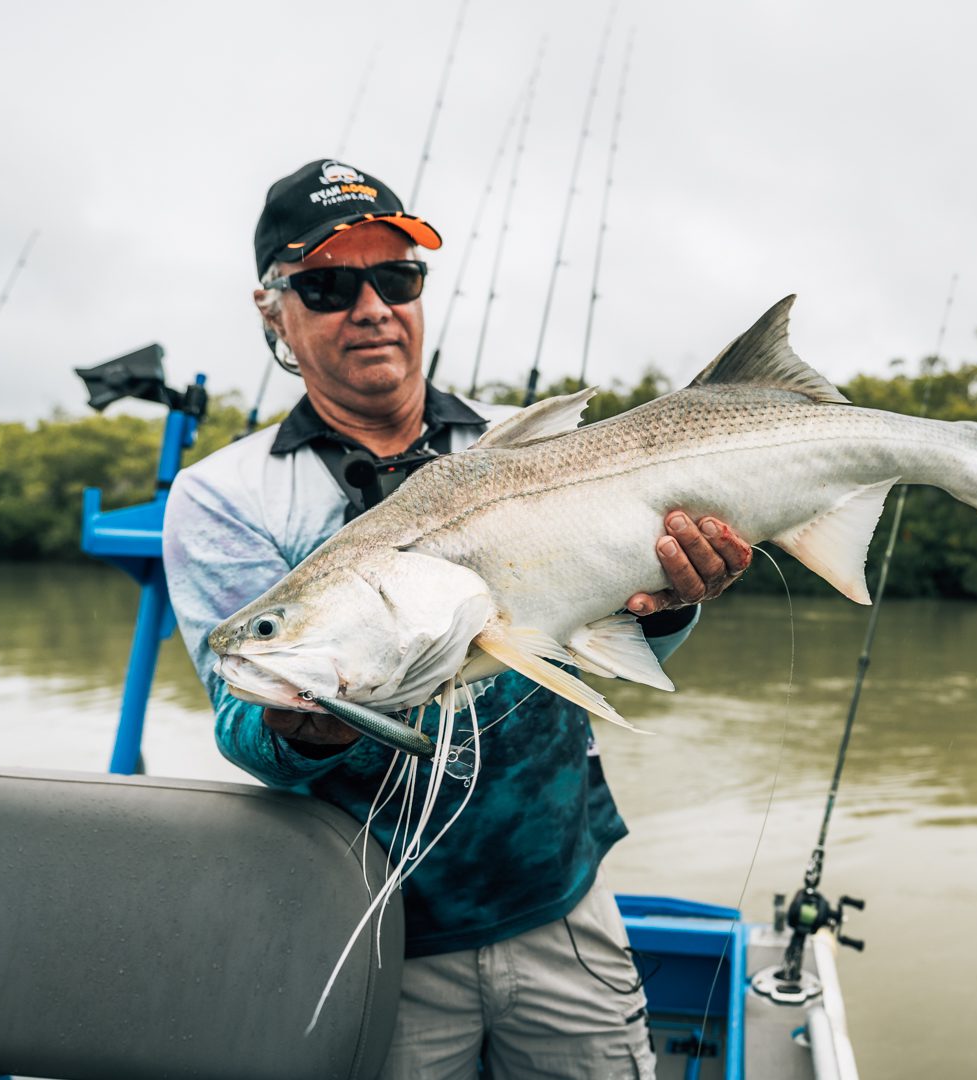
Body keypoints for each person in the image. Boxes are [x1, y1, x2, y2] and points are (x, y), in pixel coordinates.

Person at [162, 158, 751, 1079]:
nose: (371, 307)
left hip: (562, 899)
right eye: (327, 284)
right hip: (365, 929)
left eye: (396, 277)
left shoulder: (534, 443)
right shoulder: (225, 496)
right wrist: (304, 719)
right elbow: (243, 721)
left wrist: (675, 599)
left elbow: (619, 633)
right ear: (271, 308)